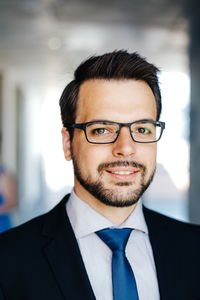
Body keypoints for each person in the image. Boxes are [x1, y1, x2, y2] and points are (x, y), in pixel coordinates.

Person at [0, 50, 199, 300]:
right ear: (68, 144)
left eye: (142, 129)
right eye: (102, 129)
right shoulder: (8, 260)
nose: (126, 147)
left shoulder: (194, 249)